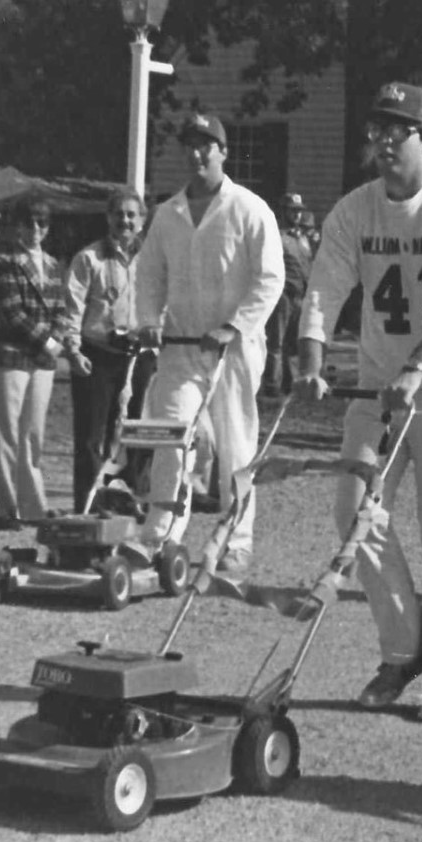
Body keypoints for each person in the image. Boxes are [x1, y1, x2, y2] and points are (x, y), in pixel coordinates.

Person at [295, 81, 422, 724]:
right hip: (379, 387)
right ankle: (403, 650)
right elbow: (324, 288)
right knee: (353, 512)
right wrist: (310, 360)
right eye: (376, 129)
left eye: (396, 131)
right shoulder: (354, 210)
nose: (382, 142)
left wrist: (418, 368)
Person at [134, 113, 283, 577]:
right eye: (191, 145)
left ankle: (235, 542)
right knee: (172, 437)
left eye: (207, 146)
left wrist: (234, 327)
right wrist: (148, 321)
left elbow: (270, 278)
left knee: (236, 447)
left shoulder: (250, 209)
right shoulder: (167, 214)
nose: (197, 154)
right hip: (180, 346)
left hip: (233, 351)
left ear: (223, 152)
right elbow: (149, 275)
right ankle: (160, 535)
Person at [0, 196, 68, 527]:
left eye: (41, 223)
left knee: (32, 434)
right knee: (5, 434)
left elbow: (61, 309)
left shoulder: (55, 265)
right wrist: (48, 341)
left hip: (42, 362)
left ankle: (33, 507)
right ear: (17, 226)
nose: (35, 229)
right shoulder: (6, 262)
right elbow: (12, 313)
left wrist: (57, 339)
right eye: (29, 222)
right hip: (10, 356)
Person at [61, 186, 150, 513]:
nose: (125, 221)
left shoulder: (152, 259)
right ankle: (86, 506)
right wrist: (73, 350)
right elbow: (72, 309)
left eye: (131, 215)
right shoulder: (89, 259)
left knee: (135, 434)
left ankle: (126, 500)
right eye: (118, 214)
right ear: (108, 218)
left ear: (142, 220)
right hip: (96, 356)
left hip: (138, 358)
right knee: (91, 437)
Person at [264, 193, 314, 398]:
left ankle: (289, 382)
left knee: (293, 344)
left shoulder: (302, 238)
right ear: (283, 212)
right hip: (283, 295)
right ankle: (271, 385)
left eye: (299, 211)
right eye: (293, 211)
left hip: (301, 296)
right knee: (276, 342)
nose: (297, 215)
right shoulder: (276, 236)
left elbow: (307, 264)